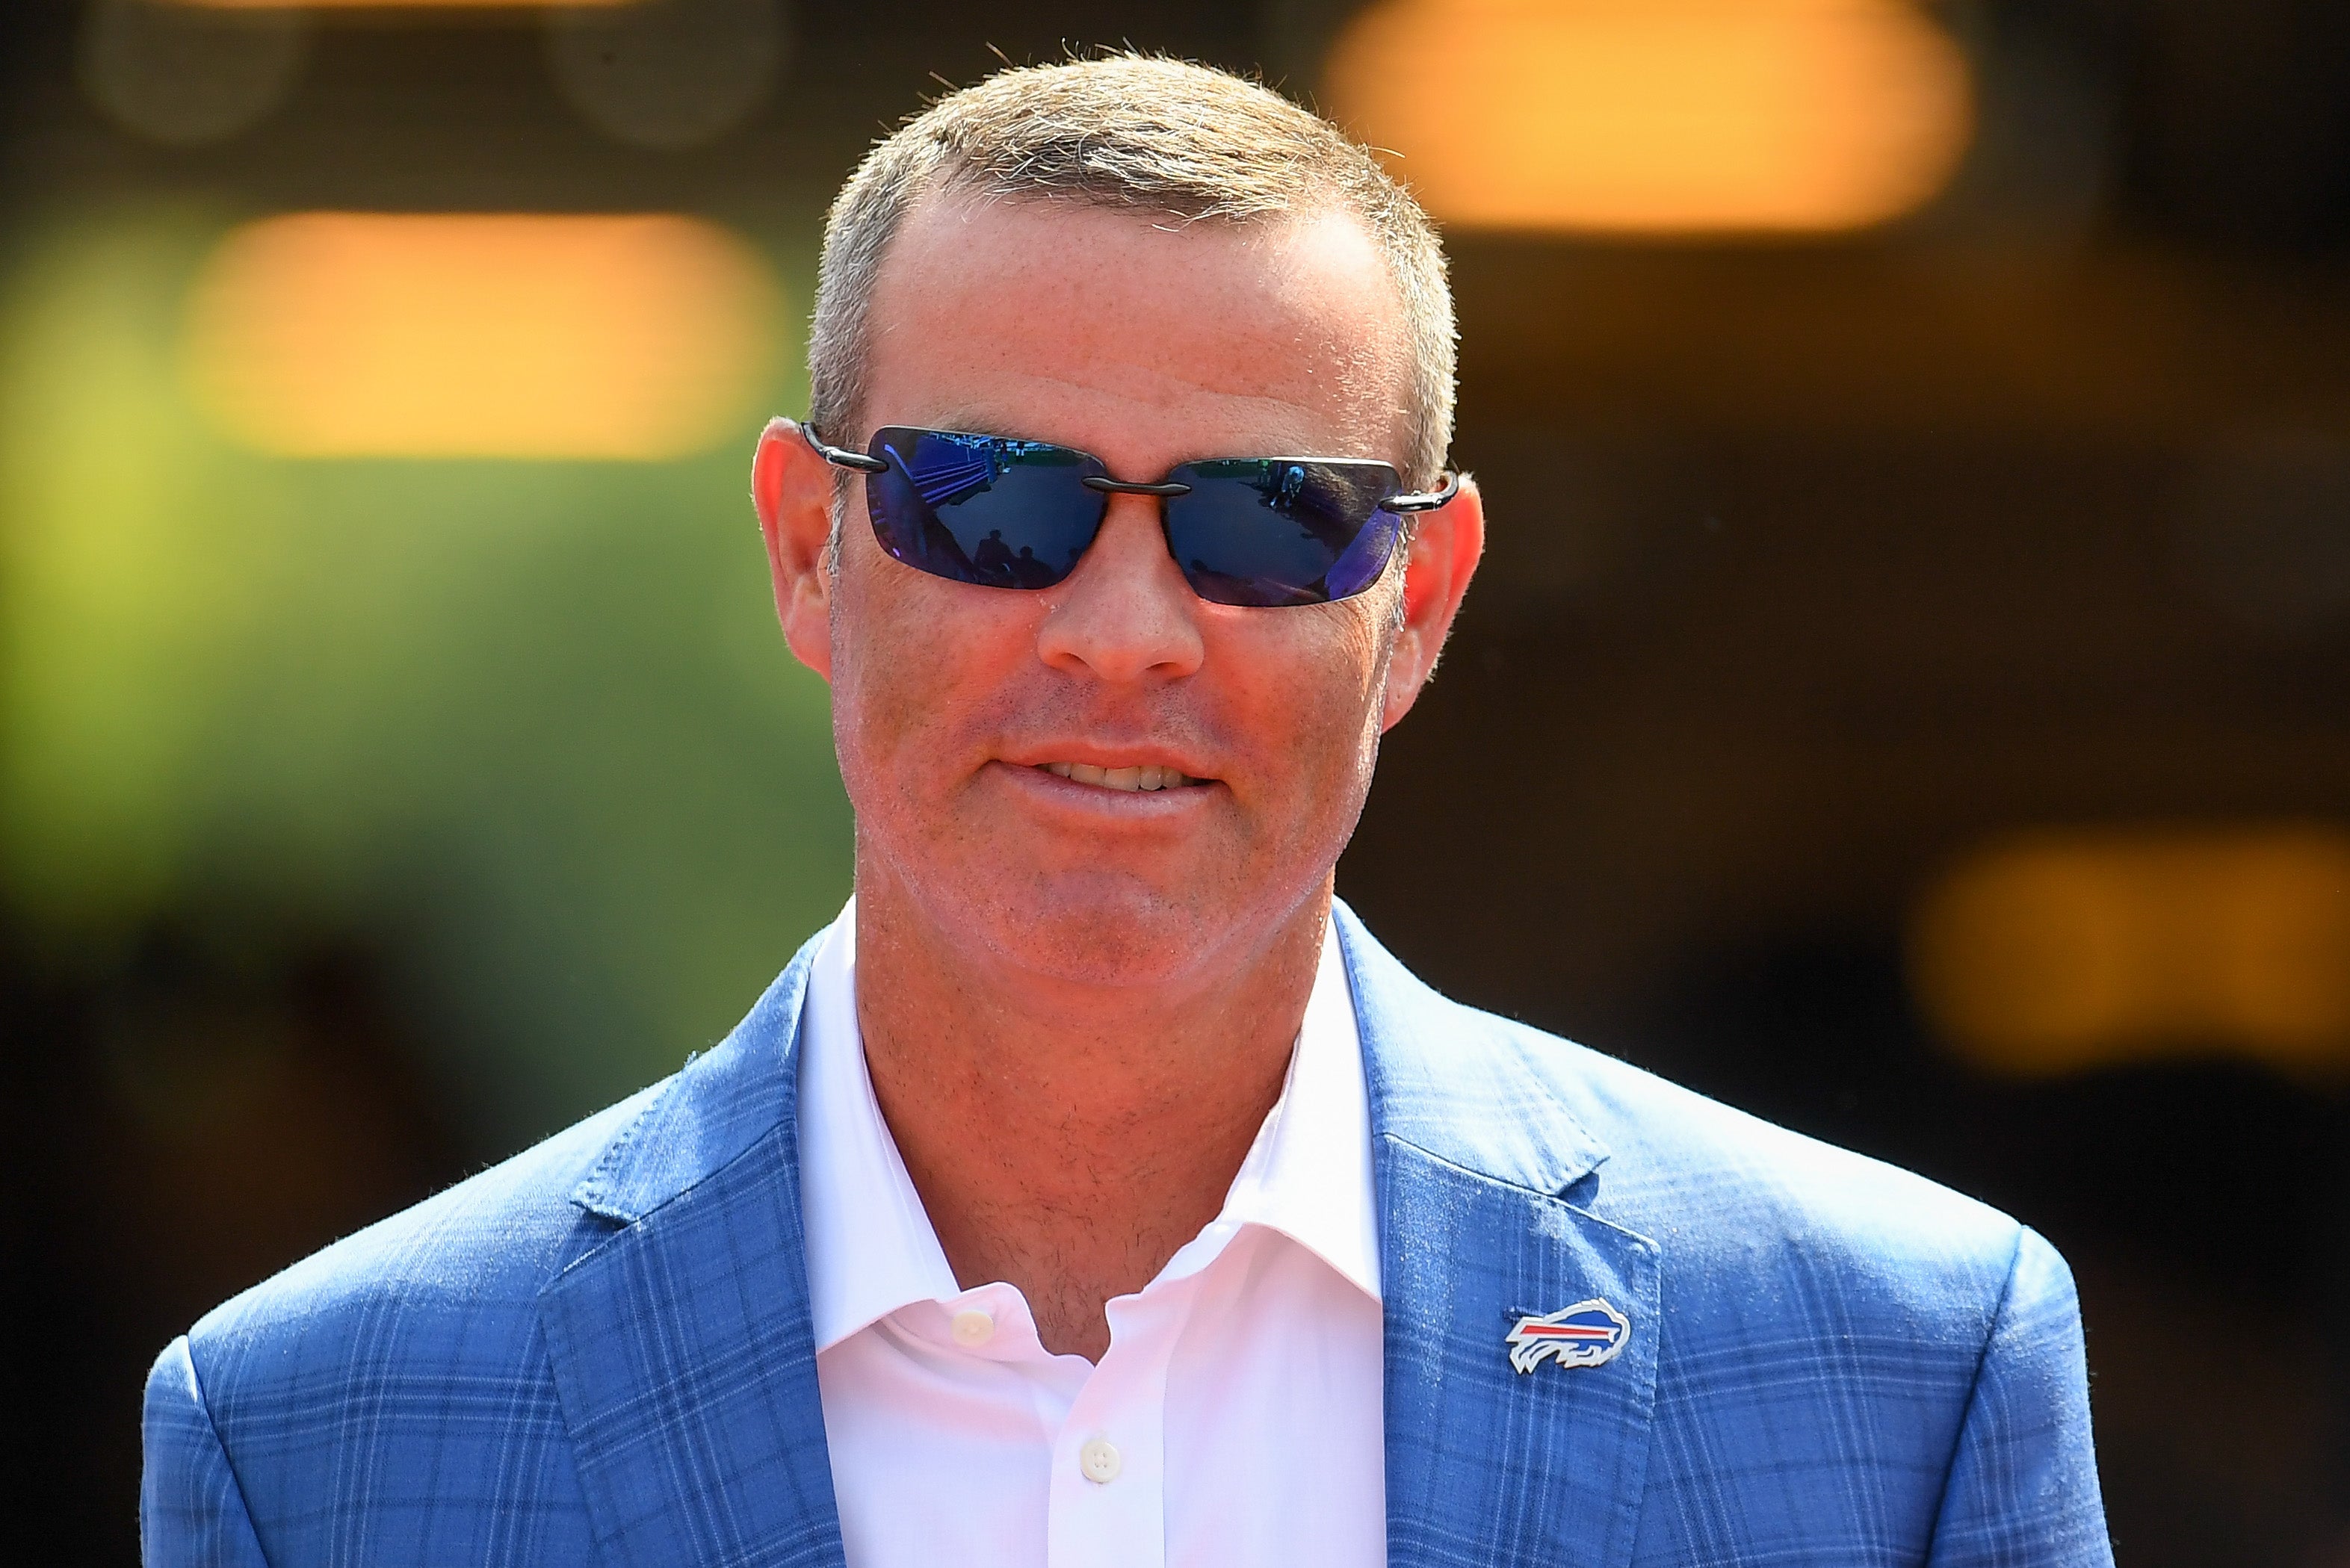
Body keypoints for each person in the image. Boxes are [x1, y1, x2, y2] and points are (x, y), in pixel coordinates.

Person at [141, 55, 2112, 1568]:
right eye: (994, 503)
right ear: (808, 548)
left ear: (1412, 604)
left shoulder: (1897, 1376)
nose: (1122, 633)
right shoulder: (321, 1438)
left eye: (1271, 516)